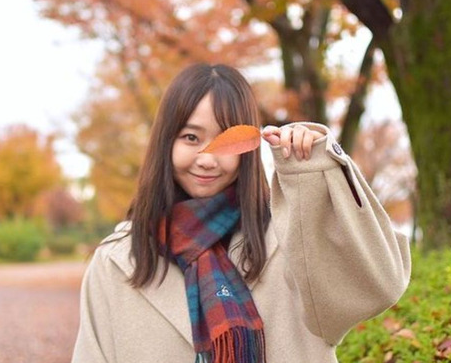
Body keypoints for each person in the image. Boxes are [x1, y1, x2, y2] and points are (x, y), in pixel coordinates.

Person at [71, 63, 411, 363]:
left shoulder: (291, 239)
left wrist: (316, 170)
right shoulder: (118, 260)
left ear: (246, 149)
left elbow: (380, 286)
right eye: (190, 137)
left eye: (224, 141)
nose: (206, 158)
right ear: (165, 143)